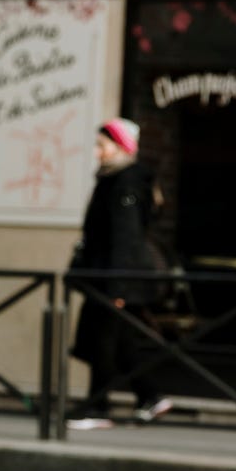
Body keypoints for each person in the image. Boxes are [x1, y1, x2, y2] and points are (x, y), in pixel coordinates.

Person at [68, 119, 172, 430]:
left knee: (103, 342)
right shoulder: (114, 179)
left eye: (103, 145)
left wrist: (119, 287)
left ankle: (98, 408)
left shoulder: (126, 183)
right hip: (107, 275)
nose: (97, 152)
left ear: (122, 147)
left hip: (114, 277)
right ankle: (150, 397)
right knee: (121, 340)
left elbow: (125, 239)